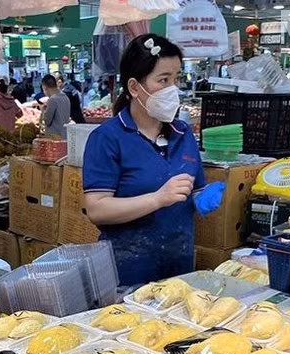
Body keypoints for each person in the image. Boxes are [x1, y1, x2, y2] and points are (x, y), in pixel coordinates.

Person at [82, 34, 225, 287]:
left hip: (178, 273)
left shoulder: (183, 134)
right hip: (125, 275)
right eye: (163, 80)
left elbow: (194, 187)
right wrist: (157, 199)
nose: (173, 89)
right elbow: (97, 209)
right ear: (135, 87)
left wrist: (202, 195)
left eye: (176, 79)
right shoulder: (107, 139)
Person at [41, 74, 70, 138]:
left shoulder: (52, 100)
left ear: (45, 87)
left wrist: (43, 110)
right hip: (65, 135)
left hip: (55, 137)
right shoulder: (65, 97)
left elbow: (47, 121)